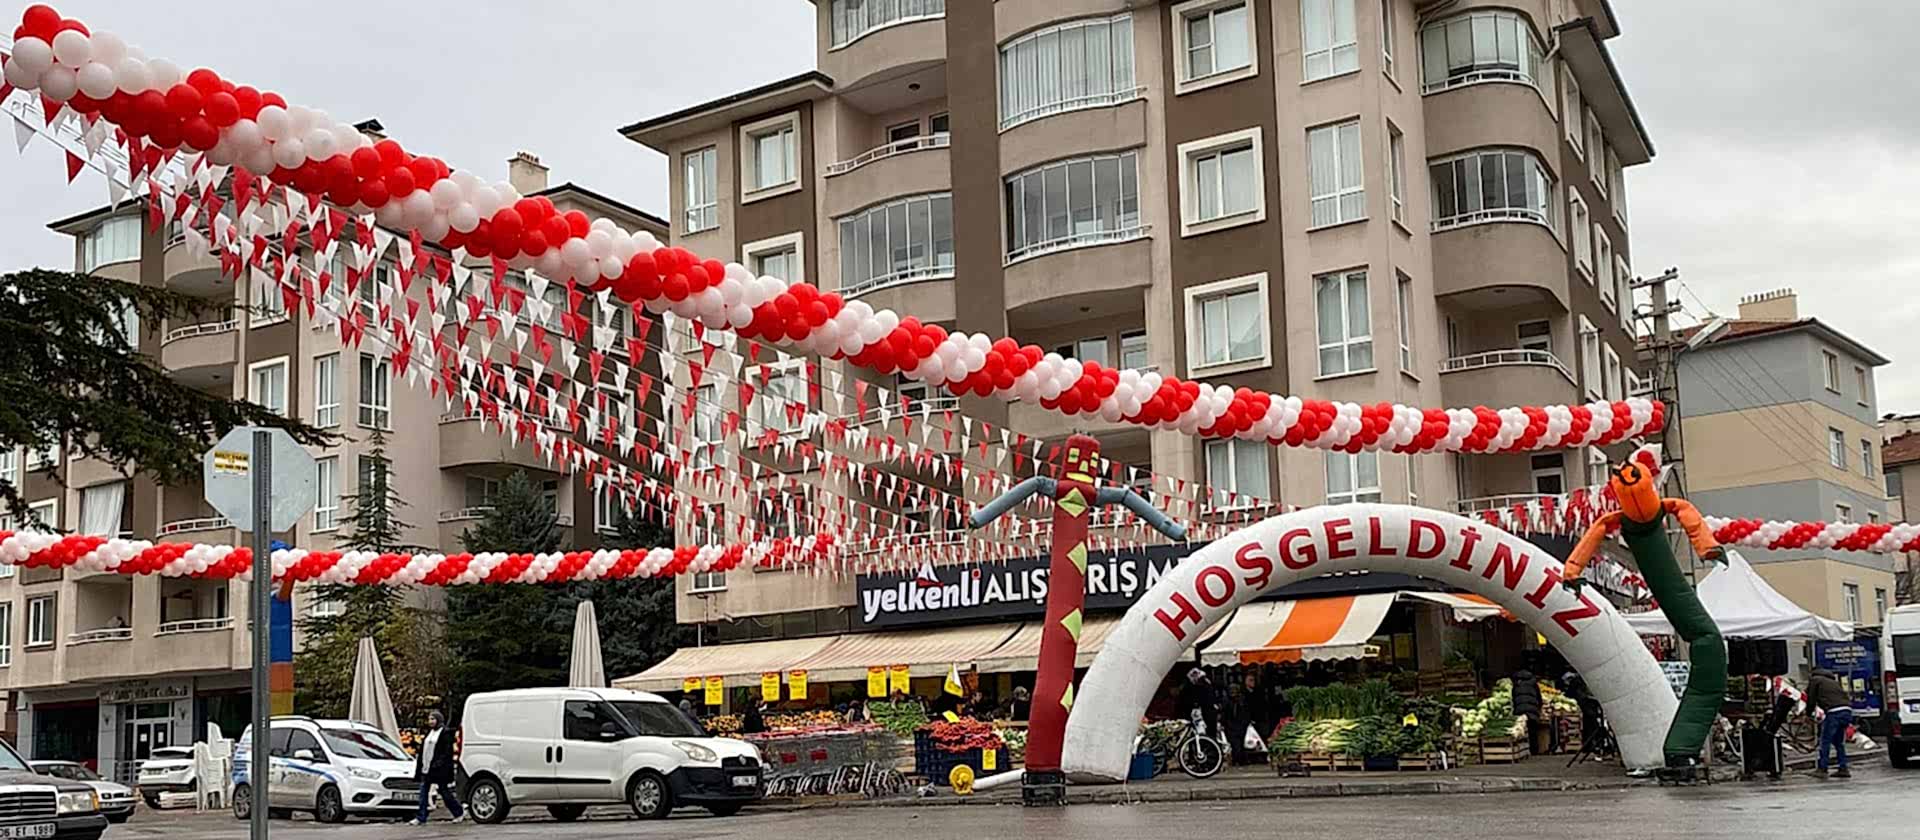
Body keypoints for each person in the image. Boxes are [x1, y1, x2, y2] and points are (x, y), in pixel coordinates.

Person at [409, 711, 464, 825]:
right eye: (429, 719)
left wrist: (438, 763)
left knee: (444, 792)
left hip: (439, 770)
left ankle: (458, 812)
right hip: (426, 767)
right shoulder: (429, 733)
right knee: (423, 792)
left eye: (433, 719)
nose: (430, 721)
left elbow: (446, 751)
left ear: (439, 720)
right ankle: (421, 817)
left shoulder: (445, 733)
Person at [1807, 668, 1853, 778]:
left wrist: (1807, 714)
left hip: (1834, 712)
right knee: (1838, 742)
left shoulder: (1815, 680)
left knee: (1825, 741)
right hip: (1847, 710)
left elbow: (1811, 698)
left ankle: (1822, 769)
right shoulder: (1833, 682)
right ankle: (1843, 768)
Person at [1509, 667, 1545, 753]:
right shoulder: (1533, 683)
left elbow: (1513, 697)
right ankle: (1534, 749)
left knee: (1523, 730)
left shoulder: (1516, 684)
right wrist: (1539, 707)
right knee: (1533, 730)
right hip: (1532, 710)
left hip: (1520, 710)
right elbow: (1538, 697)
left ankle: (1524, 749)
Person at [1178, 667, 1219, 740]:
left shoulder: (1204, 685)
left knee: (1209, 731)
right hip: (1200, 712)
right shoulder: (1193, 686)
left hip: (1206, 711)